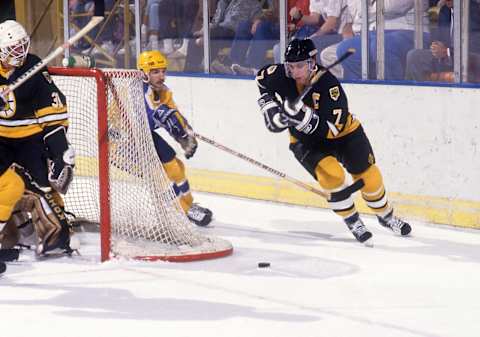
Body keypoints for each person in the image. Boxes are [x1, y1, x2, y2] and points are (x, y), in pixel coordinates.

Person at [255, 38, 411, 244]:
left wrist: (299, 116)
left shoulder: (329, 86)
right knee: (333, 178)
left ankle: (386, 215)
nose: (295, 71)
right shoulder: (279, 75)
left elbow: (332, 129)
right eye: (291, 66)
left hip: (344, 135)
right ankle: (352, 220)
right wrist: (273, 113)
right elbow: (261, 80)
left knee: (370, 178)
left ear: (312, 62)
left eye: (300, 66)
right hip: (305, 142)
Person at [0, 20, 75, 255]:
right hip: (1, 138)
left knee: (43, 184)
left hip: (29, 137)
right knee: (10, 185)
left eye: (23, 46)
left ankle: (59, 230)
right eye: (14, 49)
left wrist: (59, 147)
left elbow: (50, 108)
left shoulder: (32, 66)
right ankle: (20, 229)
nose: (20, 54)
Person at [137, 50, 212, 226]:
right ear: (144, 73)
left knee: (175, 164)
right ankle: (183, 211)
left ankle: (189, 204)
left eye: (163, 71)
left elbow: (174, 115)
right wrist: (166, 119)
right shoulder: (139, 91)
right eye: (155, 72)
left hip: (142, 134)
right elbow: (153, 116)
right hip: (120, 139)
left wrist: (187, 134)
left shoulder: (163, 91)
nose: (161, 76)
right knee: (159, 176)